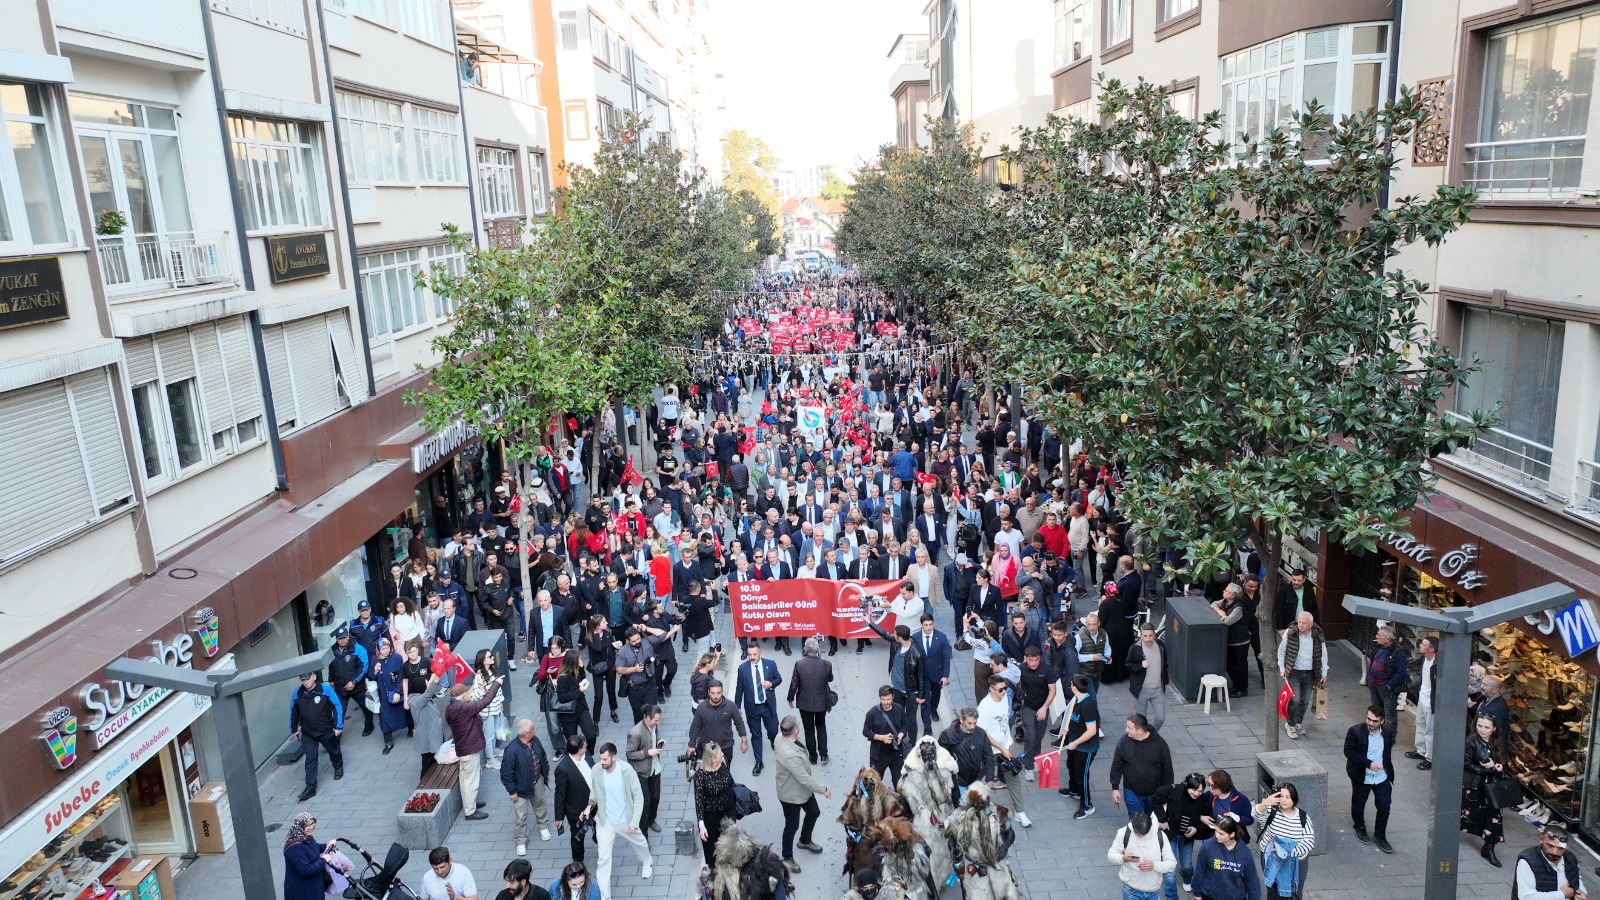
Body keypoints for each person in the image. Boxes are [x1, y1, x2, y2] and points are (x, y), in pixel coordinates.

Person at [589, 742, 653, 896]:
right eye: (600, 759)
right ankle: (605, 895)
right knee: (603, 859)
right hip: (605, 822)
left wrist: (634, 822)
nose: (601, 762)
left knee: (639, 842)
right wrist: (589, 805)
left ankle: (647, 860)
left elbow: (638, 797)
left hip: (625, 819)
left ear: (614, 758)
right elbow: (594, 791)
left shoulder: (626, 771)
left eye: (605, 759)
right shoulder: (596, 770)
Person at [773, 715, 831, 872]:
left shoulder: (780, 737)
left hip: (801, 791)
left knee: (814, 812)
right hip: (790, 795)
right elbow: (804, 779)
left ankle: (804, 840)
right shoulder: (790, 755)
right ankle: (787, 857)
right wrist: (823, 789)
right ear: (796, 731)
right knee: (791, 826)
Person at [447, 675, 503, 821]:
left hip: (462, 749)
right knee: (471, 780)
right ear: (462, 695)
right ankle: (470, 811)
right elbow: (485, 701)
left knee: (465, 778)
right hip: (470, 749)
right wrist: (496, 684)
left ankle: (469, 804)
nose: (467, 693)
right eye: (466, 692)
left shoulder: (450, 709)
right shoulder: (465, 708)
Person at [1343, 704, 1397, 854]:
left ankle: (1380, 835)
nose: (1370, 723)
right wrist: (1368, 763)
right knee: (1359, 804)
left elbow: (1387, 750)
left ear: (1382, 722)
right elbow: (1349, 752)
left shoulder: (1387, 732)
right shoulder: (1355, 731)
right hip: (1362, 776)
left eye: (1374, 721)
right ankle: (1359, 827)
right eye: (1368, 719)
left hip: (1381, 777)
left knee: (1384, 806)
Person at [1252, 782, 1314, 900]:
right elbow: (1255, 814)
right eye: (1281, 796)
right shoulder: (1271, 811)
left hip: (1296, 860)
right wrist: (1266, 803)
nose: (1284, 800)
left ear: (1294, 799)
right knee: (1273, 890)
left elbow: (1309, 841)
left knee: (1294, 891)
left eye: (1288, 797)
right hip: (1273, 858)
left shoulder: (1302, 817)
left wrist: (1288, 851)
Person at [502, 718, 554, 857]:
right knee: (521, 817)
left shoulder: (535, 740)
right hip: (520, 789)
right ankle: (521, 841)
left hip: (537, 781)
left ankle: (543, 826)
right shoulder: (512, 750)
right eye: (533, 729)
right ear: (526, 734)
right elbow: (506, 773)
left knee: (540, 805)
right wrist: (512, 791)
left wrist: (546, 772)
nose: (535, 731)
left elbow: (542, 756)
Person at [288, 671, 343, 802]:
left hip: (325, 729)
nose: (305, 682)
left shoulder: (325, 689)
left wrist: (338, 726)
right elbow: (293, 711)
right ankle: (310, 787)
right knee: (310, 759)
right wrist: (294, 729)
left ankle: (338, 767)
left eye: (307, 679)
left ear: (314, 677)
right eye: (303, 680)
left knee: (333, 750)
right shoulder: (297, 693)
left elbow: (337, 707)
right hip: (308, 733)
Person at [1153, 773, 1212, 895]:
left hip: (1187, 837)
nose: (1196, 794)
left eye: (1200, 791)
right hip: (1171, 834)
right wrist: (1163, 819)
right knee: (1170, 869)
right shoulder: (1174, 791)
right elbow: (1156, 799)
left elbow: (1207, 819)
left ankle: (1187, 879)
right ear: (1186, 786)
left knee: (1187, 865)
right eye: (1194, 790)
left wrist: (1196, 829)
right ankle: (1171, 895)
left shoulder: (1203, 799)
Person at [1462, 713, 1507, 868]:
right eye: (1479, 725)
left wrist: (1499, 767)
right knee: (1471, 813)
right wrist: (1487, 769)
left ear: (1494, 729)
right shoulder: (1471, 742)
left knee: (1494, 816)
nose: (1482, 729)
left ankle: (1489, 847)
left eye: (1486, 727)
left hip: (1493, 786)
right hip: (1477, 785)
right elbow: (1466, 764)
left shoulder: (1497, 742)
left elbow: (1501, 759)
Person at [1109, 714, 1175, 820]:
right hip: (1131, 791)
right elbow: (1117, 764)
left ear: (1139, 731)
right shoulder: (1124, 742)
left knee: (1151, 821)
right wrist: (1115, 787)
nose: (1126, 730)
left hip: (1154, 793)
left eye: (1129, 727)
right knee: (1136, 822)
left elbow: (1167, 771)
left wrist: (1166, 795)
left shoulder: (1160, 745)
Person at [1276, 611, 1328, 741]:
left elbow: (1323, 654)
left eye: (1303, 623)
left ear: (1311, 624)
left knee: (1304, 701)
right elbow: (1282, 651)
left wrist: (1324, 672)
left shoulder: (1317, 635)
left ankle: (1298, 723)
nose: (1300, 625)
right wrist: (1282, 669)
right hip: (1294, 672)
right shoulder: (1290, 633)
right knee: (1295, 699)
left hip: (1310, 673)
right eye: (1299, 621)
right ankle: (1290, 724)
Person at [735, 644, 783, 775]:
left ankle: (773, 740)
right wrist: (737, 706)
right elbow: (739, 689)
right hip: (752, 708)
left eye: (754, 654)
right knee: (756, 735)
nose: (751, 657)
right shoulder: (743, 669)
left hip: (767, 706)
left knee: (773, 729)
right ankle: (758, 762)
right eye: (749, 654)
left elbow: (779, 679)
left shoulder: (770, 664)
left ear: (760, 652)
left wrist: (771, 684)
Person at [1108, 811, 1176, 900]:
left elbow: (1172, 863)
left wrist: (1154, 866)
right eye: (1138, 834)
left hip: (1153, 890)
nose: (1141, 836)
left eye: (1144, 834)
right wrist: (1123, 858)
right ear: (1133, 826)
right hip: (1130, 889)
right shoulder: (1123, 833)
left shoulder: (1161, 836)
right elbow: (1111, 856)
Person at [1060, 674, 1101, 820]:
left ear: (1074, 686)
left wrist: (1076, 742)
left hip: (1085, 748)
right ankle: (1074, 790)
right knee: (1071, 766)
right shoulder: (1077, 699)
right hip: (1074, 744)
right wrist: (1067, 729)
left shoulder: (1088, 704)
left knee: (1081, 775)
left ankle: (1087, 805)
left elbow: (1092, 731)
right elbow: (1076, 720)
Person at [787, 637, 834, 763]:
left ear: (805, 649)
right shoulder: (827, 664)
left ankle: (813, 757)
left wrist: (790, 699)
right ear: (818, 649)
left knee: (809, 730)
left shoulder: (799, 664)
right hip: (821, 704)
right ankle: (824, 755)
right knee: (821, 726)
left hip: (804, 703)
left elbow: (794, 684)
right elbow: (830, 679)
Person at [1190, 817, 1261, 900]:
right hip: (1210, 896)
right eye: (1216, 831)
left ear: (1232, 834)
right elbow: (1200, 871)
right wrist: (1197, 892)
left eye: (1221, 833)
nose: (1216, 835)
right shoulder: (1207, 847)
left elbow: (1252, 880)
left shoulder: (1245, 853)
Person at [1015, 646, 1057, 782]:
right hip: (1027, 708)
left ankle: (1036, 760)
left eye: (1036, 660)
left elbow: (1052, 690)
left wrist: (1045, 707)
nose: (1034, 663)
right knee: (1030, 738)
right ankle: (1028, 767)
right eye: (1031, 660)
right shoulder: (1020, 669)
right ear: (1025, 659)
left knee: (1038, 738)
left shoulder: (1047, 670)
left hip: (1043, 708)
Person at [693, 741, 737, 868]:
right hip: (711, 815)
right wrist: (701, 826)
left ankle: (730, 864)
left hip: (728, 810)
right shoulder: (700, 776)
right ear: (711, 758)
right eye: (719, 753)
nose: (722, 753)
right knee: (712, 844)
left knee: (730, 839)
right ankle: (714, 869)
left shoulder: (723, 762)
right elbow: (699, 801)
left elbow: (731, 781)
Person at [625, 705, 667, 836]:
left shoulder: (653, 727)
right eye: (656, 720)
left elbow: (653, 738)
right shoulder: (635, 732)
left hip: (655, 768)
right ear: (648, 718)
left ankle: (651, 820)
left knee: (656, 797)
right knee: (645, 803)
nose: (658, 722)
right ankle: (643, 833)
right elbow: (629, 754)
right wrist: (647, 752)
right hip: (642, 772)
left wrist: (659, 741)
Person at [1513, 826, 1586, 900]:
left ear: (1566, 846)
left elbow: (1576, 878)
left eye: (1560, 848)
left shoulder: (1570, 858)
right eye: (1550, 846)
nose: (1555, 852)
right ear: (1542, 840)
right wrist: (1562, 894)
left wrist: (1581, 893)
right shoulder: (1528, 861)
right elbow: (1526, 897)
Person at [688, 679, 750, 765]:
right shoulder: (702, 708)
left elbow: (739, 723)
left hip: (726, 747)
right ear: (708, 692)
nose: (716, 696)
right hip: (708, 747)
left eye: (718, 693)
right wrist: (691, 745)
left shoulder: (731, 706)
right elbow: (695, 727)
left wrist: (744, 741)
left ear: (722, 691)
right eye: (713, 693)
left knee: (725, 773)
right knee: (709, 773)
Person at [553, 735, 594, 864]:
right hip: (577, 810)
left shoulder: (586, 756)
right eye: (584, 744)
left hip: (594, 804)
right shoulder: (563, 769)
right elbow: (559, 794)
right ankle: (578, 863)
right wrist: (559, 817)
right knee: (577, 838)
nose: (586, 744)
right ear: (580, 749)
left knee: (600, 829)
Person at [864, 684, 911, 788]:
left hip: (896, 753)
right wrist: (882, 738)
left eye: (888, 699)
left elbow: (905, 724)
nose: (886, 703)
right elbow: (866, 732)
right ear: (879, 698)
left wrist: (901, 734)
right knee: (873, 785)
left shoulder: (899, 709)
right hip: (879, 755)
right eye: (883, 699)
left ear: (893, 697)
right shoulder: (872, 713)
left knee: (900, 785)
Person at [328, 626, 372, 737]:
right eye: (339, 638)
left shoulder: (358, 649)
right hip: (340, 688)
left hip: (357, 687)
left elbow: (364, 667)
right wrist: (331, 680)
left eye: (344, 637)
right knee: (339, 711)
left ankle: (369, 724)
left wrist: (353, 681)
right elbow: (331, 667)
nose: (342, 640)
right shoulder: (332, 650)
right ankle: (336, 735)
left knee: (365, 707)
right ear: (336, 639)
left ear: (348, 636)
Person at [281, 812, 336, 900]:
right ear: (300, 826)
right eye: (307, 825)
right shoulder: (295, 847)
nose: (311, 827)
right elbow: (306, 870)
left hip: (312, 887)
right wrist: (323, 860)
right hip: (302, 891)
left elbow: (314, 848)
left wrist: (327, 846)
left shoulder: (306, 837)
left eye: (313, 824)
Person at [1210, 585, 1252, 698]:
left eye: (1226, 591)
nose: (1223, 591)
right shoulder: (1225, 602)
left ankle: (1242, 688)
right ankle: (1236, 685)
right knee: (1230, 665)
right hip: (1230, 640)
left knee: (1240, 666)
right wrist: (1221, 612)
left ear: (1233, 595)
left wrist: (1223, 615)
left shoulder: (1238, 608)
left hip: (1239, 642)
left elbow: (1228, 621)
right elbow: (1213, 604)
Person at [914, 613, 953, 733]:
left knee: (936, 695)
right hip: (922, 675)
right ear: (921, 625)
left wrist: (945, 676)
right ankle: (927, 727)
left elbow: (946, 657)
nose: (928, 627)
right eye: (925, 625)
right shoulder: (915, 637)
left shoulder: (941, 637)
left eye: (930, 624)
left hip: (937, 673)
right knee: (924, 701)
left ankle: (934, 709)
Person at [1126, 624, 1168, 732]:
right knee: (1140, 721)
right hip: (1142, 690)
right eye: (1145, 636)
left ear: (1154, 634)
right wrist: (1140, 666)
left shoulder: (1161, 646)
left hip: (1158, 689)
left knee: (1160, 718)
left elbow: (1165, 665)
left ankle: (1150, 734)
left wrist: (1165, 682)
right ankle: (1143, 739)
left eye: (1150, 635)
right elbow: (1128, 665)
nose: (1148, 639)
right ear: (1141, 635)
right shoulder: (1135, 648)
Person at [1366, 627, 1407, 734]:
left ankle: (1389, 737)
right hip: (1374, 684)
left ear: (1387, 639)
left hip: (1387, 688)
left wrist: (1389, 685)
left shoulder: (1398, 653)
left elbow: (1401, 673)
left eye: (1379, 635)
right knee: (1376, 710)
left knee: (1389, 714)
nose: (1376, 637)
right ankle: (1376, 732)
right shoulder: (1378, 647)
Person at [1407, 635, 1439, 769]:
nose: (1420, 645)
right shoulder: (1423, 659)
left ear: (1431, 649)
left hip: (1431, 701)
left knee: (1429, 730)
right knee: (1419, 723)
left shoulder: (1438, 664)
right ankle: (1421, 750)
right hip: (1422, 698)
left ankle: (1430, 758)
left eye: (1423, 644)